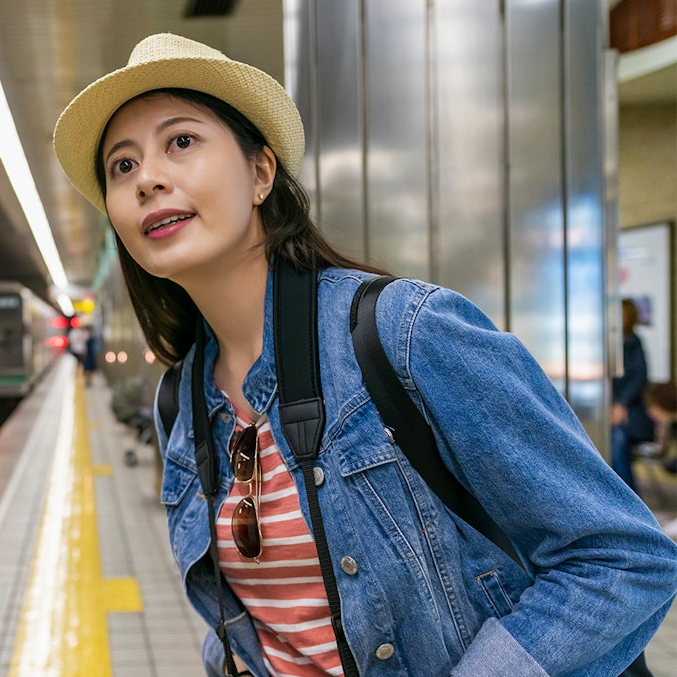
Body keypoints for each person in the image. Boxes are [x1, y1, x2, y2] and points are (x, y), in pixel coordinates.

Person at [53, 33, 677, 677]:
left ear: (261, 173)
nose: (148, 178)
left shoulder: (406, 333)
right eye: (122, 166)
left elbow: (623, 558)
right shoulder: (178, 401)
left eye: (181, 142)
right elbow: (270, 619)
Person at [612, 299, 656, 492]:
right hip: (608, 410)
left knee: (618, 439)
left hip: (633, 414)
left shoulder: (634, 343)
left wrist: (622, 404)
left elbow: (639, 378)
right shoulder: (607, 345)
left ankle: (628, 499)